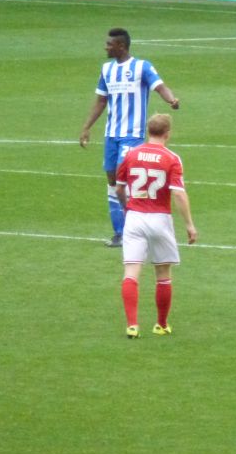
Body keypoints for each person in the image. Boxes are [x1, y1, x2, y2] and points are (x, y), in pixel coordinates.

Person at [79, 28, 180, 248]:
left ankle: (134, 227)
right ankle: (119, 232)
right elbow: (100, 101)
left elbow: (159, 86)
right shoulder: (106, 69)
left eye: (109, 44)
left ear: (121, 46)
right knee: (112, 180)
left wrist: (171, 100)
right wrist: (86, 127)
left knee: (124, 182)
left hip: (132, 136)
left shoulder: (142, 67)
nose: (106, 47)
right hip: (111, 135)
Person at [114, 114, 197, 339]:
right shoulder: (172, 158)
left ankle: (132, 325)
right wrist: (189, 225)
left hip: (135, 217)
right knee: (163, 272)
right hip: (160, 219)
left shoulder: (131, 154)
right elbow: (178, 194)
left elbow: (119, 189)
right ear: (167, 134)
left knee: (131, 272)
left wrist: (126, 207)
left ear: (147, 132)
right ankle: (160, 325)